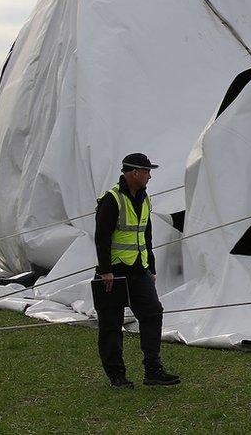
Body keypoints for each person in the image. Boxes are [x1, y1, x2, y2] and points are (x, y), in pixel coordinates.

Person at [94, 153, 179, 388]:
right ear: (134, 173)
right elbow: (101, 237)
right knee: (111, 323)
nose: (150, 176)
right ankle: (116, 375)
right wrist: (105, 271)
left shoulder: (145, 198)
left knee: (153, 312)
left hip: (138, 269)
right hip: (114, 272)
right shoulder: (112, 200)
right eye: (147, 171)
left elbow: (146, 235)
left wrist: (150, 267)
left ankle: (152, 370)